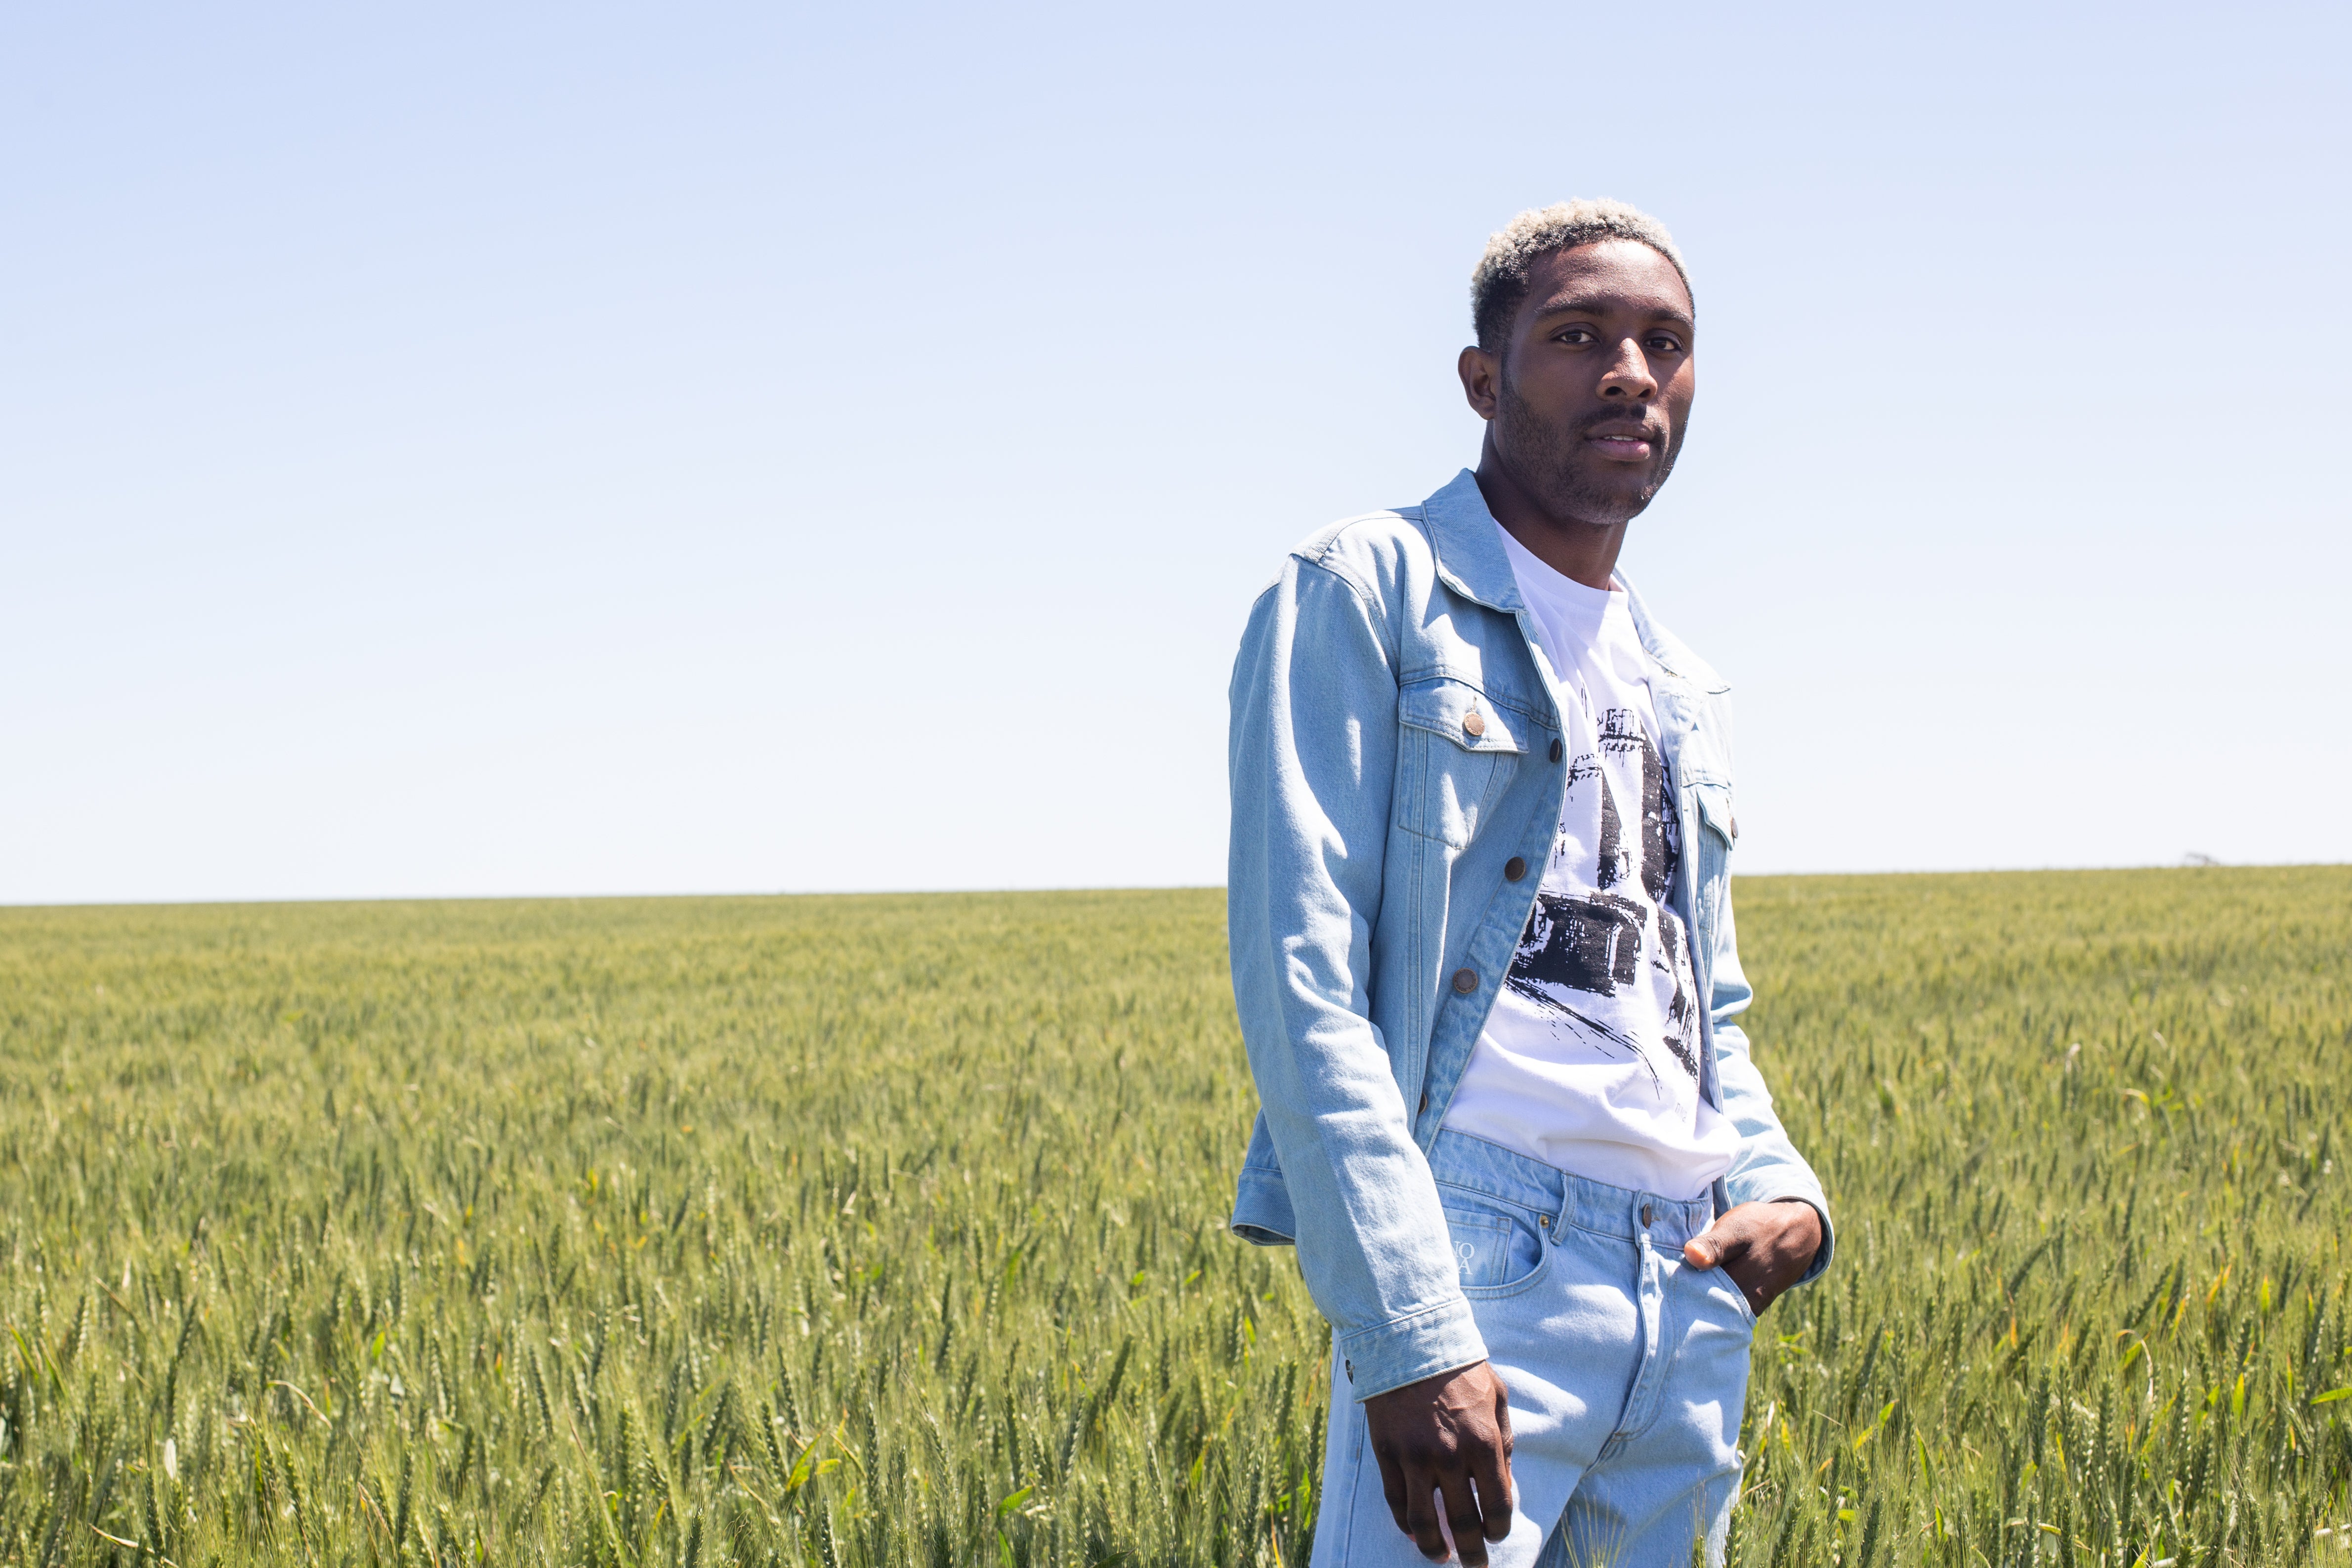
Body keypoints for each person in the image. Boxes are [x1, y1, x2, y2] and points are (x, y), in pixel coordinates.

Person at [1224, 201, 1833, 1568]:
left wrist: (1784, 1192)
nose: (1632, 370)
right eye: (1579, 337)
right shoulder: (1368, 590)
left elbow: (1700, 1002)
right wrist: (1410, 1332)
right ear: (1483, 380)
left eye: (1665, 343)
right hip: (1486, 1260)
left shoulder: (1683, 686)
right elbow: (1301, 971)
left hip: (1688, 1297)